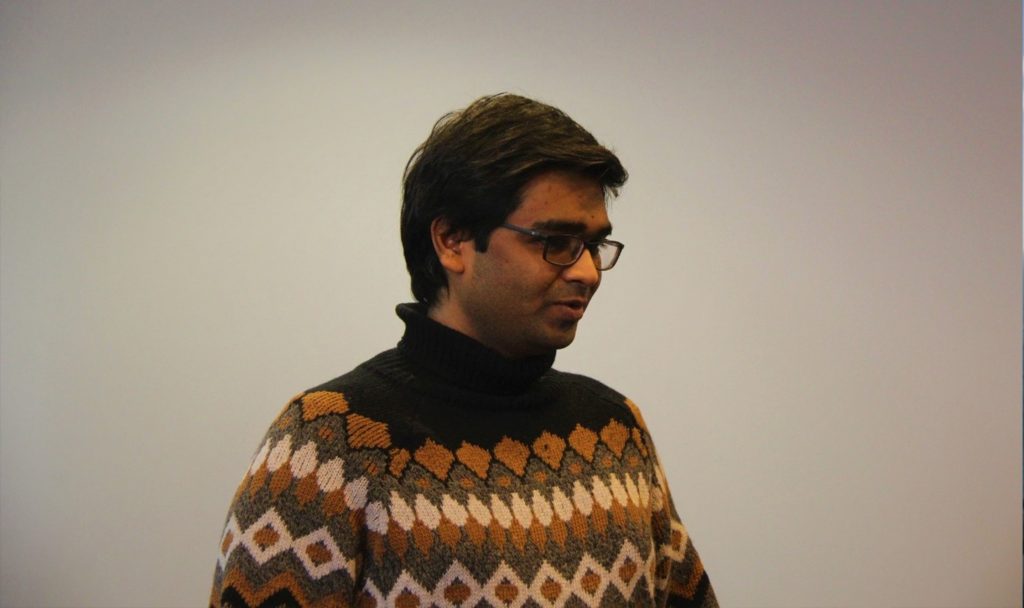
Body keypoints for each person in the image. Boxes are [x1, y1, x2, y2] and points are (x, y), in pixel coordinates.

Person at [210, 93, 717, 608]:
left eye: (593, 246)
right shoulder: (325, 447)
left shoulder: (614, 430)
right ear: (452, 240)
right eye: (556, 241)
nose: (587, 272)